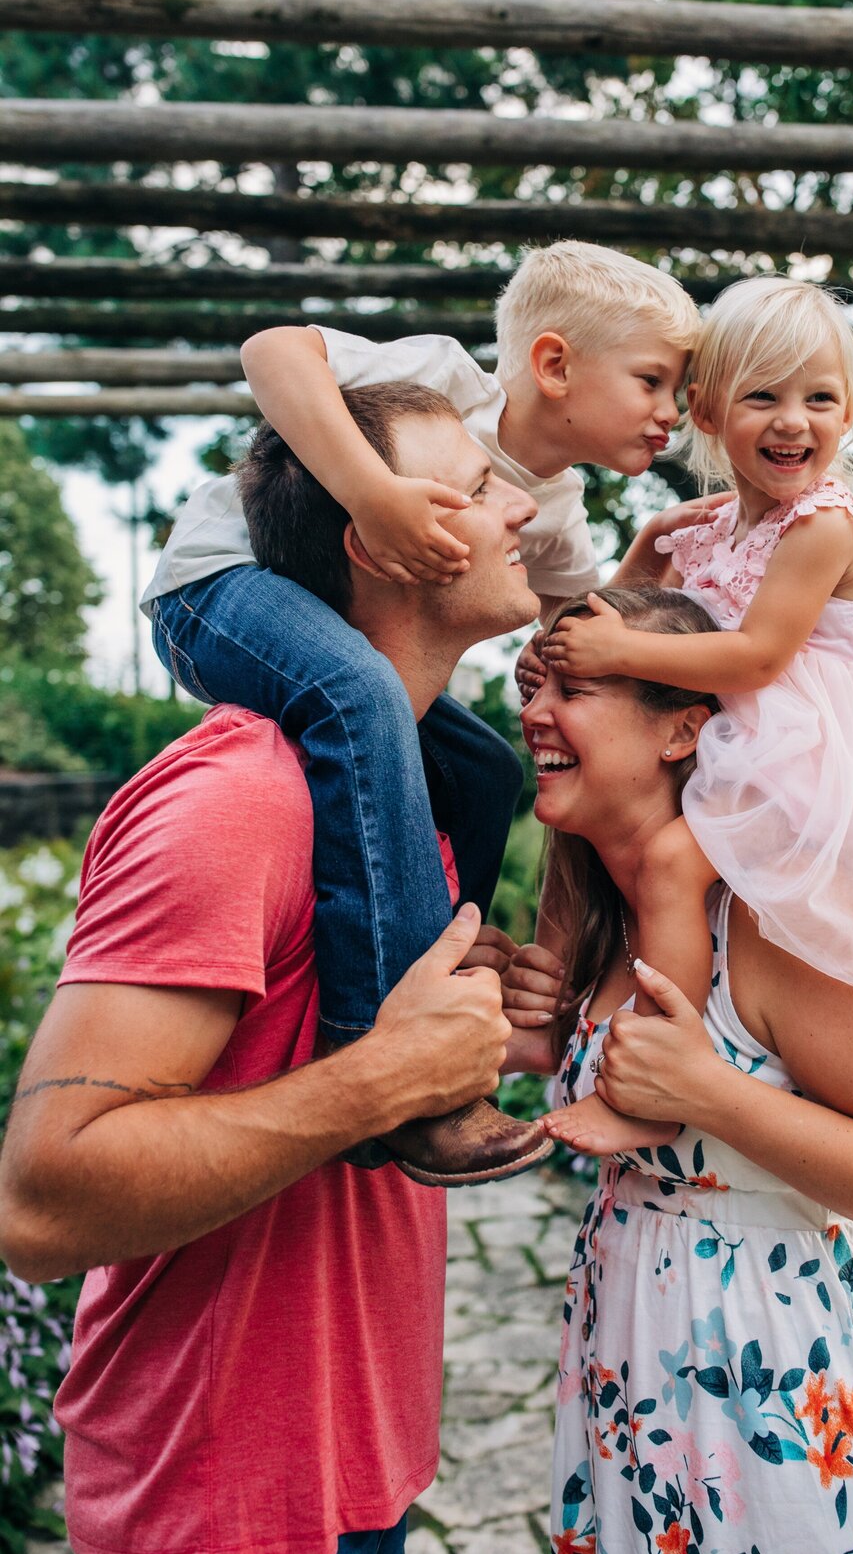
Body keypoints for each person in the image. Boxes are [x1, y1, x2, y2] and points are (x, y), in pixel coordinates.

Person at [0, 381, 546, 1554]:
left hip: (356, 1475)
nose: (523, 508)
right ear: (379, 545)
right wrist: (385, 1079)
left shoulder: (402, 799)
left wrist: (485, 1029)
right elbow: (42, 1206)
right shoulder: (242, 800)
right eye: (479, 487)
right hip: (216, 1505)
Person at [142, 241, 703, 1183]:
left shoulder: (557, 509)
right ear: (554, 364)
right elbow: (273, 351)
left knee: (483, 769)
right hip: (222, 587)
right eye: (653, 381)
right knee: (361, 693)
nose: (671, 412)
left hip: (342, 633)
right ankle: (386, 1056)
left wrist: (648, 571)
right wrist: (373, 494)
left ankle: (453, 963)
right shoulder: (443, 383)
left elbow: (568, 636)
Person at [510, 585, 853, 1554]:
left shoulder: (775, 925)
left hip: (791, 1397)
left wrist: (709, 1095)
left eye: (574, 688)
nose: (534, 714)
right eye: (533, 687)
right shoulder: (602, 916)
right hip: (638, 1369)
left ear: (683, 729)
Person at [541, 275, 853, 1153]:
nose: (794, 421)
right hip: (748, 742)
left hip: (815, 759)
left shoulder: (824, 527)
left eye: (819, 399)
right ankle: (549, 1011)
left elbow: (755, 658)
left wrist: (619, 653)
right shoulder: (716, 531)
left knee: (669, 864)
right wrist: (644, 551)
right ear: (708, 412)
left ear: (849, 413)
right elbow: (633, 611)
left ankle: (658, 1077)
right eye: (763, 397)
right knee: (582, 824)